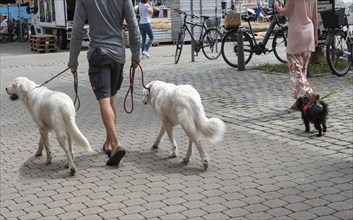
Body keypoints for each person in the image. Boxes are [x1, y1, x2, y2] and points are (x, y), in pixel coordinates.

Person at [68, 0, 141, 166]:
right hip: (118, 55)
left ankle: (116, 143)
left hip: (98, 54)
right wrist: (136, 55)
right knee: (111, 98)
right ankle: (108, 143)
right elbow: (133, 25)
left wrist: (73, 60)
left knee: (104, 100)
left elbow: (77, 29)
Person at [274, 0, 318, 109]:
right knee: (302, 70)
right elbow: (315, 17)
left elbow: (287, 12)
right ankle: (300, 101)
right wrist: (316, 36)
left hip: (297, 34)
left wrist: (277, 7)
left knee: (296, 71)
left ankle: (309, 93)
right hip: (309, 33)